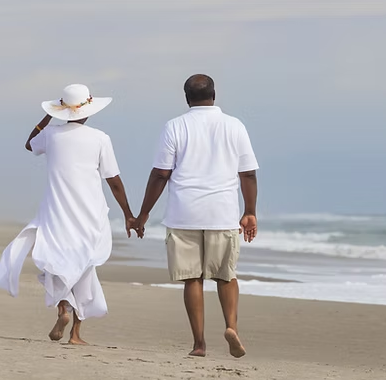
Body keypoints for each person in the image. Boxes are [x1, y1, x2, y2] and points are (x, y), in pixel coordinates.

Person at [0, 84, 136, 345]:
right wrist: (129, 214)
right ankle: (75, 334)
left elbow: (30, 143)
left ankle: (63, 308)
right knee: (85, 266)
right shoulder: (99, 138)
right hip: (90, 213)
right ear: (88, 110)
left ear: (63, 110)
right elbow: (114, 181)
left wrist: (50, 115)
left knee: (58, 263)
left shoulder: (51, 135)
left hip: (57, 211)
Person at [135, 74, 259, 358]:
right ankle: (231, 328)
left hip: (183, 212)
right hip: (223, 211)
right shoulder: (234, 125)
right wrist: (249, 211)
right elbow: (248, 173)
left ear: (186, 97)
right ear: (215, 95)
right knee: (226, 276)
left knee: (193, 279)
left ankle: (199, 344)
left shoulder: (175, 126)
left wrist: (143, 214)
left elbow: (161, 174)